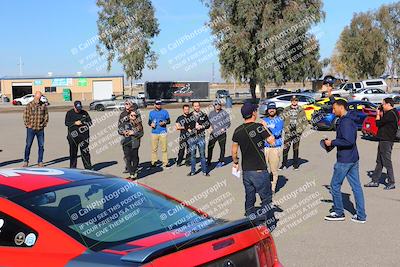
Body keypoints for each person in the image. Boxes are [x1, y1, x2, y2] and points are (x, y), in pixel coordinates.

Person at [323, 99, 366, 223]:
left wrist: (332, 142)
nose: (333, 110)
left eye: (334, 108)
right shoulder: (348, 118)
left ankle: (338, 212)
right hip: (353, 158)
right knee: (356, 187)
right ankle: (361, 215)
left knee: (335, 186)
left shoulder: (345, 122)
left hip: (345, 160)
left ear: (341, 108)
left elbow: (349, 141)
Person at [232, 102, 275, 219]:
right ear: (253, 114)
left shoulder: (237, 130)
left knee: (250, 197)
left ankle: (249, 221)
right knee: (266, 198)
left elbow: (234, 152)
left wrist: (235, 162)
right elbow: (272, 141)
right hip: (259, 169)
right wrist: (265, 128)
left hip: (246, 171)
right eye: (255, 111)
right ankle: (269, 223)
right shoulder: (259, 127)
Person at [364, 98, 398, 190]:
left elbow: (378, 123)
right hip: (383, 139)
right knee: (379, 161)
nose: (382, 106)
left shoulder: (391, 114)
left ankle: (392, 182)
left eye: (383, 104)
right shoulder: (391, 113)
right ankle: (375, 180)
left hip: (386, 141)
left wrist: (378, 114)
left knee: (387, 161)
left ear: (388, 104)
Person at [261, 102, 284, 193]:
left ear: (276, 110)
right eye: (270, 108)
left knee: (273, 170)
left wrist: (265, 128)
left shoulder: (279, 120)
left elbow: (276, 134)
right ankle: (264, 186)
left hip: (275, 148)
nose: (271, 110)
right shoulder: (264, 120)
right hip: (265, 148)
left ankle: (272, 188)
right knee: (263, 169)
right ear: (267, 110)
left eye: (273, 108)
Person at [22, 91, 49, 167]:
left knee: (41, 145)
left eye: (39, 98)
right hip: (31, 129)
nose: (38, 99)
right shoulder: (29, 105)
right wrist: (28, 125)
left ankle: (40, 161)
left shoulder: (43, 105)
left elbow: (46, 116)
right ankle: (26, 161)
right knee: (28, 145)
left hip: (40, 129)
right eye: (37, 97)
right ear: (34, 97)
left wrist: (44, 124)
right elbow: (25, 116)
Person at [281, 96, 307, 170]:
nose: (294, 102)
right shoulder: (286, 109)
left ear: (297, 101)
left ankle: (295, 165)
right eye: (293, 100)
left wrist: (301, 130)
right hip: (288, 131)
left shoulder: (301, 109)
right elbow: (281, 119)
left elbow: (305, 121)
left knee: (295, 148)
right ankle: (284, 164)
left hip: (297, 131)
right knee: (286, 148)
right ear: (291, 101)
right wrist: (285, 128)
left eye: (295, 100)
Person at [65, 101, 93, 169]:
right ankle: (72, 168)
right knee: (73, 153)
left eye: (79, 108)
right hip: (73, 137)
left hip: (84, 137)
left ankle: (88, 168)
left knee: (85, 152)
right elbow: (66, 123)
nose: (78, 110)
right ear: (74, 107)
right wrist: (75, 123)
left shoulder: (85, 113)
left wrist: (83, 122)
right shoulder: (69, 113)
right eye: (77, 109)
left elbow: (90, 123)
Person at [187, 101, 211, 176]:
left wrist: (202, 126)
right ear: (193, 107)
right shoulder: (189, 115)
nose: (197, 107)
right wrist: (189, 130)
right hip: (192, 138)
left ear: (200, 106)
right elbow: (185, 125)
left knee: (202, 155)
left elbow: (208, 124)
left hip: (201, 137)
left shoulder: (204, 115)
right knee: (193, 155)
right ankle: (192, 171)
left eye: (198, 106)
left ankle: (204, 171)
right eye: (195, 106)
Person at [119, 110, 144, 179]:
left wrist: (133, 133)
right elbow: (119, 130)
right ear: (129, 116)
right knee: (128, 158)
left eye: (134, 115)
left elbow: (141, 134)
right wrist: (123, 132)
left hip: (135, 143)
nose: (133, 117)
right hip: (126, 143)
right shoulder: (125, 123)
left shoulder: (139, 124)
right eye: (131, 115)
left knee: (135, 158)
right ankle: (131, 173)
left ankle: (134, 170)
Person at [207, 100, 231, 168]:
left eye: (219, 104)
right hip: (213, 133)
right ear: (214, 105)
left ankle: (221, 161)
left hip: (222, 133)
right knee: (210, 147)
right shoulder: (211, 113)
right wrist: (209, 127)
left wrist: (224, 128)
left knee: (222, 148)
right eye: (216, 104)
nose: (217, 106)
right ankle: (208, 161)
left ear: (221, 105)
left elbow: (228, 123)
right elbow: (208, 122)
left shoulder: (224, 113)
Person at [118, 99, 140, 173]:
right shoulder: (122, 114)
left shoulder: (135, 112)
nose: (127, 105)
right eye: (126, 104)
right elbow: (119, 125)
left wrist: (135, 132)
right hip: (126, 135)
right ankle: (128, 167)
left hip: (134, 136)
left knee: (134, 154)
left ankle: (135, 167)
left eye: (129, 104)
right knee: (126, 154)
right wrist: (122, 132)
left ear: (131, 104)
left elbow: (139, 124)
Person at [148, 100, 170, 168]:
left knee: (164, 148)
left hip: (163, 132)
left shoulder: (165, 112)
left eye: (160, 104)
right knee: (154, 149)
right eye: (157, 104)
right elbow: (149, 122)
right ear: (154, 105)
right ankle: (154, 162)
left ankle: (165, 162)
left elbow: (169, 120)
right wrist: (151, 124)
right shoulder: (151, 112)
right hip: (154, 132)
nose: (158, 105)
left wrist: (164, 122)